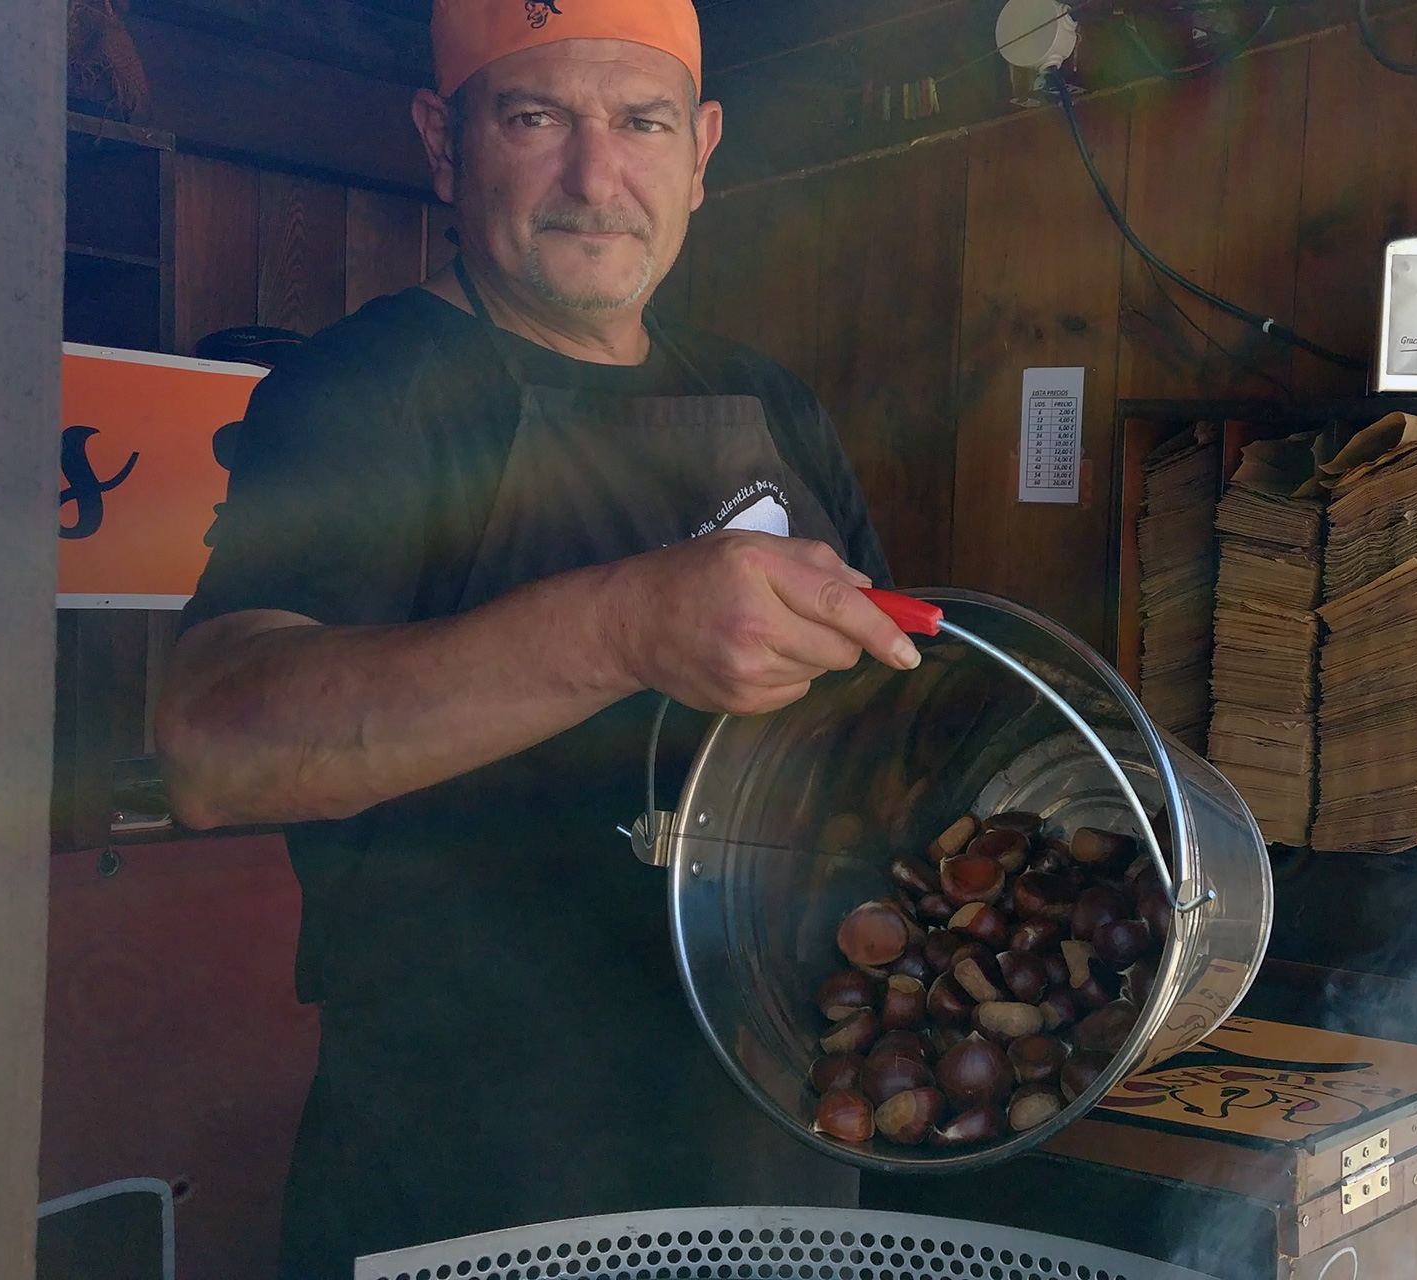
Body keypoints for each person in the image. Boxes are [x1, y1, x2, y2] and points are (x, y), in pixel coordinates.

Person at [152, 1, 921, 1273]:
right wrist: (627, 623)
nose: (595, 177)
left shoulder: (767, 397)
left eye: (640, 122)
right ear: (444, 144)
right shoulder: (362, 391)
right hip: (476, 1165)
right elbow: (214, 741)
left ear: (703, 148)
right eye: (534, 118)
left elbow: (886, 714)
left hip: (775, 1137)